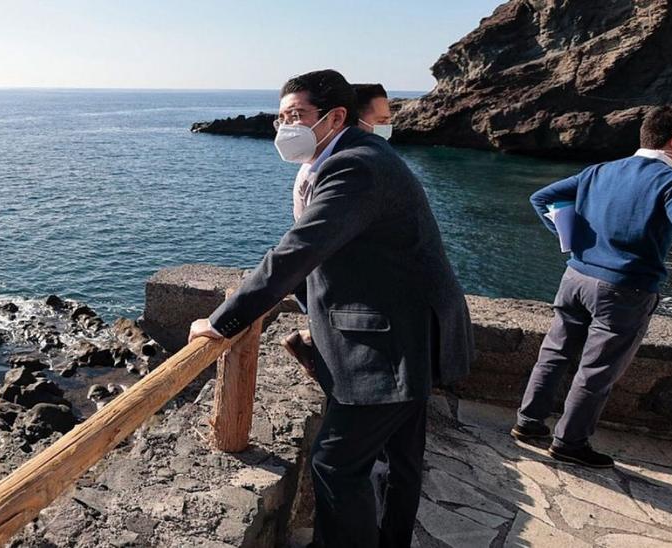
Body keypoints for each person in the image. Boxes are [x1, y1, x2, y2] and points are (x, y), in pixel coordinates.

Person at [189, 69, 472, 547]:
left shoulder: (355, 165)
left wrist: (222, 322)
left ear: (335, 116)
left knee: (336, 464)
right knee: (400, 459)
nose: (285, 128)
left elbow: (297, 252)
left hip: (390, 346)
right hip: (409, 331)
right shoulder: (358, 157)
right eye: (280, 118)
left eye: (295, 116)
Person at [512, 105, 672, 468]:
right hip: (625, 288)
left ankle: (528, 423)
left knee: (554, 353)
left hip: (575, 277)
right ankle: (569, 443)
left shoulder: (599, 171)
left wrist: (570, 240)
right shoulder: (671, 182)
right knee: (597, 370)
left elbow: (540, 198)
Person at [282, 82, 395, 374]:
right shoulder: (341, 167)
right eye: (381, 121)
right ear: (347, 119)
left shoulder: (348, 161)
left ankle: (314, 342)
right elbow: (305, 247)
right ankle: (318, 345)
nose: (388, 127)